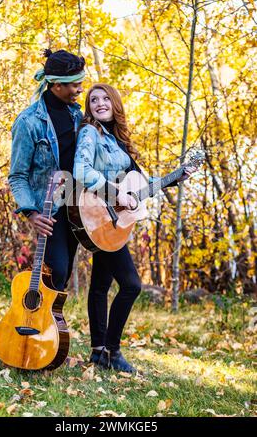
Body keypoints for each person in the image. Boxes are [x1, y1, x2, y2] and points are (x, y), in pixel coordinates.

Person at [73, 84, 194, 373]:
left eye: (105, 99)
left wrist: (177, 176)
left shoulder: (117, 140)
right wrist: (115, 194)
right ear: (88, 108)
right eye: (93, 100)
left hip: (112, 223)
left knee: (100, 286)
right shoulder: (90, 133)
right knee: (131, 285)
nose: (99, 103)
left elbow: (140, 183)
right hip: (99, 212)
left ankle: (98, 352)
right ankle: (112, 351)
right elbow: (80, 170)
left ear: (115, 104)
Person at [8, 49, 85, 291]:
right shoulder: (28, 122)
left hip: (78, 208)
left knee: (64, 273)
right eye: (75, 84)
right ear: (56, 85)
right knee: (57, 271)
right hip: (49, 210)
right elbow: (18, 175)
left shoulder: (77, 115)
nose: (81, 89)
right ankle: (38, 322)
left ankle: (53, 324)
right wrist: (31, 213)